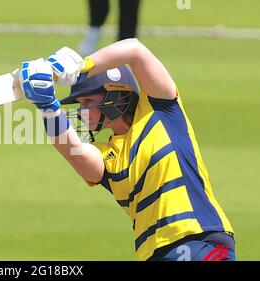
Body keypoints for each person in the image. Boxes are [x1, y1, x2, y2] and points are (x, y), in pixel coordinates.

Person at [19, 38, 235, 261]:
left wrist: (82, 68)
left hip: (199, 238)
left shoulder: (161, 111)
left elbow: (135, 50)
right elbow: (74, 150)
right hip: (153, 254)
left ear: (114, 94)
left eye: (87, 100)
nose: (82, 110)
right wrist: (48, 108)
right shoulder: (107, 156)